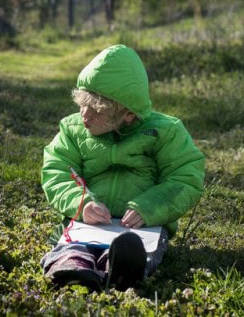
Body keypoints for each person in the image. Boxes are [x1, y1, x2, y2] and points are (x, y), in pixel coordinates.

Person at [40, 44, 205, 291]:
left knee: (135, 251)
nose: (84, 115)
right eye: (81, 104)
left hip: (143, 228)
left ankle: (119, 270)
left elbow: (185, 178)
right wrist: (81, 203)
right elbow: (58, 169)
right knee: (70, 246)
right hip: (87, 223)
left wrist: (150, 207)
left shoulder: (166, 132)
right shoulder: (73, 130)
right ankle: (73, 269)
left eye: (95, 110)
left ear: (128, 114)